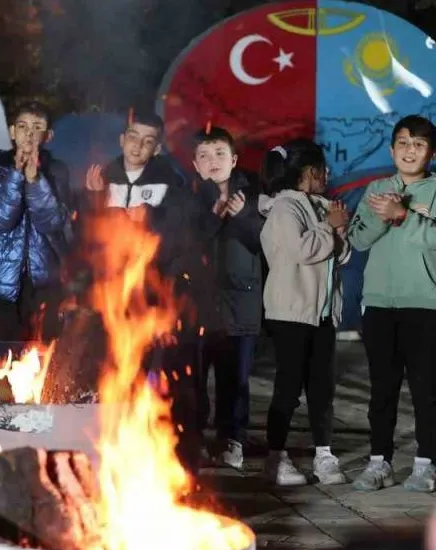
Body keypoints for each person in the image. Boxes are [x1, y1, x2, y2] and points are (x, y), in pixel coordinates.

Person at [82, 108, 201, 474]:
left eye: (148, 141)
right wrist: (91, 200)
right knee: (109, 373)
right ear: (122, 139)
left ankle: (161, 452)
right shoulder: (102, 178)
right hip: (108, 297)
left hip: (151, 300)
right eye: (133, 137)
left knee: (157, 376)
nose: (138, 146)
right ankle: (106, 448)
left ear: (157, 147)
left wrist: (149, 224)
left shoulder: (171, 183)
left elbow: (181, 239)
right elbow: (84, 238)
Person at [347, 115, 436, 492]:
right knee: (382, 390)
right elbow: (358, 239)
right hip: (379, 304)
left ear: (431, 153)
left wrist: (404, 216)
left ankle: (425, 465)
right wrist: (382, 217)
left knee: (426, 390)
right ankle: (379, 462)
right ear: (391, 149)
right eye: (403, 142)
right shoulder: (377, 188)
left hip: (426, 305)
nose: (410, 150)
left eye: (419, 144)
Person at [259, 140, 351, 487]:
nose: (328, 175)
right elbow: (303, 250)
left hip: (322, 313)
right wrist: (329, 228)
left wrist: (338, 229)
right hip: (292, 312)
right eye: (323, 169)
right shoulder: (285, 208)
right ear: (310, 172)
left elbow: (341, 255)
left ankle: (324, 455)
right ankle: (276, 457)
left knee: (321, 387)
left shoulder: (324, 206)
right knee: (288, 386)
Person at [189, 126, 263, 471]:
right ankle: (194, 438)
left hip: (241, 301)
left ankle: (232, 439)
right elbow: (181, 245)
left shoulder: (255, 196)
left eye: (220, 153)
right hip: (198, 303)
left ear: (234, 160)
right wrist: (211, 217)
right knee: (194, 378)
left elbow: (266, 243)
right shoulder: (188, 198)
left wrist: (243, 216)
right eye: (204, 155)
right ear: (195, 164)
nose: (213, 161)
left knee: (236, 378)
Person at [0, 101, 71, 343]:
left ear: (48, 136)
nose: (29, 134)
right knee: (6, 353)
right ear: (12, 132)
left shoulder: (57, 170)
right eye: (23, 126)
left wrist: (35, 179)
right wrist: (16, 175)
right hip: (4, 277)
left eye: (37, 127)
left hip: (46, 279)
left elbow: (52, 222)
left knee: (45, 351)